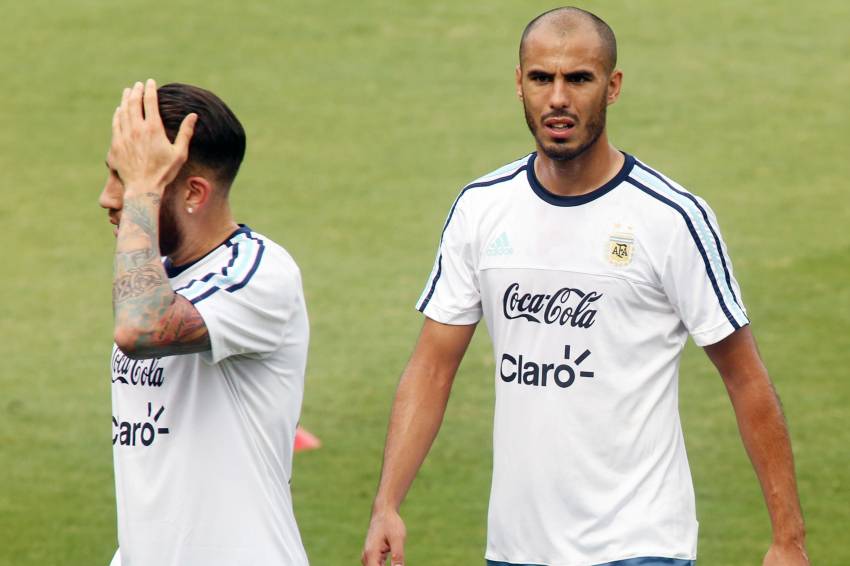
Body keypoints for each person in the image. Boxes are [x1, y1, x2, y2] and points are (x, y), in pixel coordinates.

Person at [361, 7, 808, 566]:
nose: (557, 99)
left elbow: (745, 377)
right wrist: (387, 504)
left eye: (578, 79)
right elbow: (432, 367)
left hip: (640, 545)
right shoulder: (481, 208)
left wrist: (787, 539)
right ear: (518, 83)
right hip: (516, 549)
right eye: (541, 78)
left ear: (612, 86)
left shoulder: (671, 219)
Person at [100, 80, 310, 566]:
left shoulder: (260, 273)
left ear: (194, 192)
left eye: (125, 178)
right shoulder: (159, 278)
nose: (108, 198)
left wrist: (142, 191)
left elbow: (140, 329)